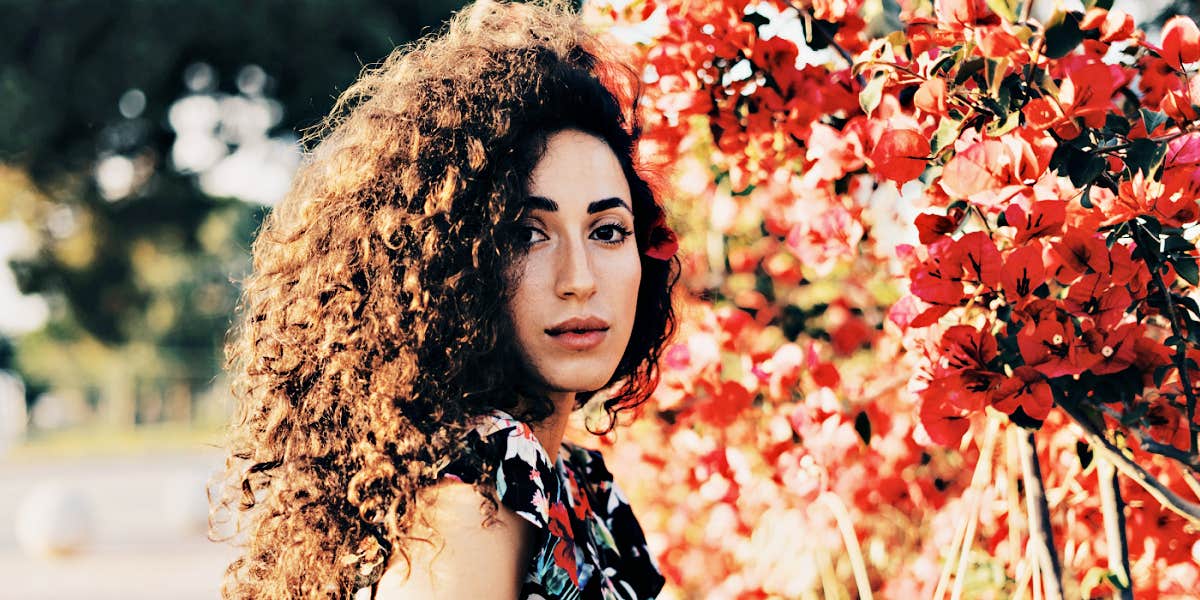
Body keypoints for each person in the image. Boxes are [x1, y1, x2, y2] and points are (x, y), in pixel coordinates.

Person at [209, 0, 681, 598]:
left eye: (608, 231)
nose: (580, 278)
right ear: (452, 264)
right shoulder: (471, 504)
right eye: (525, 234)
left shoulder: (570, 480)